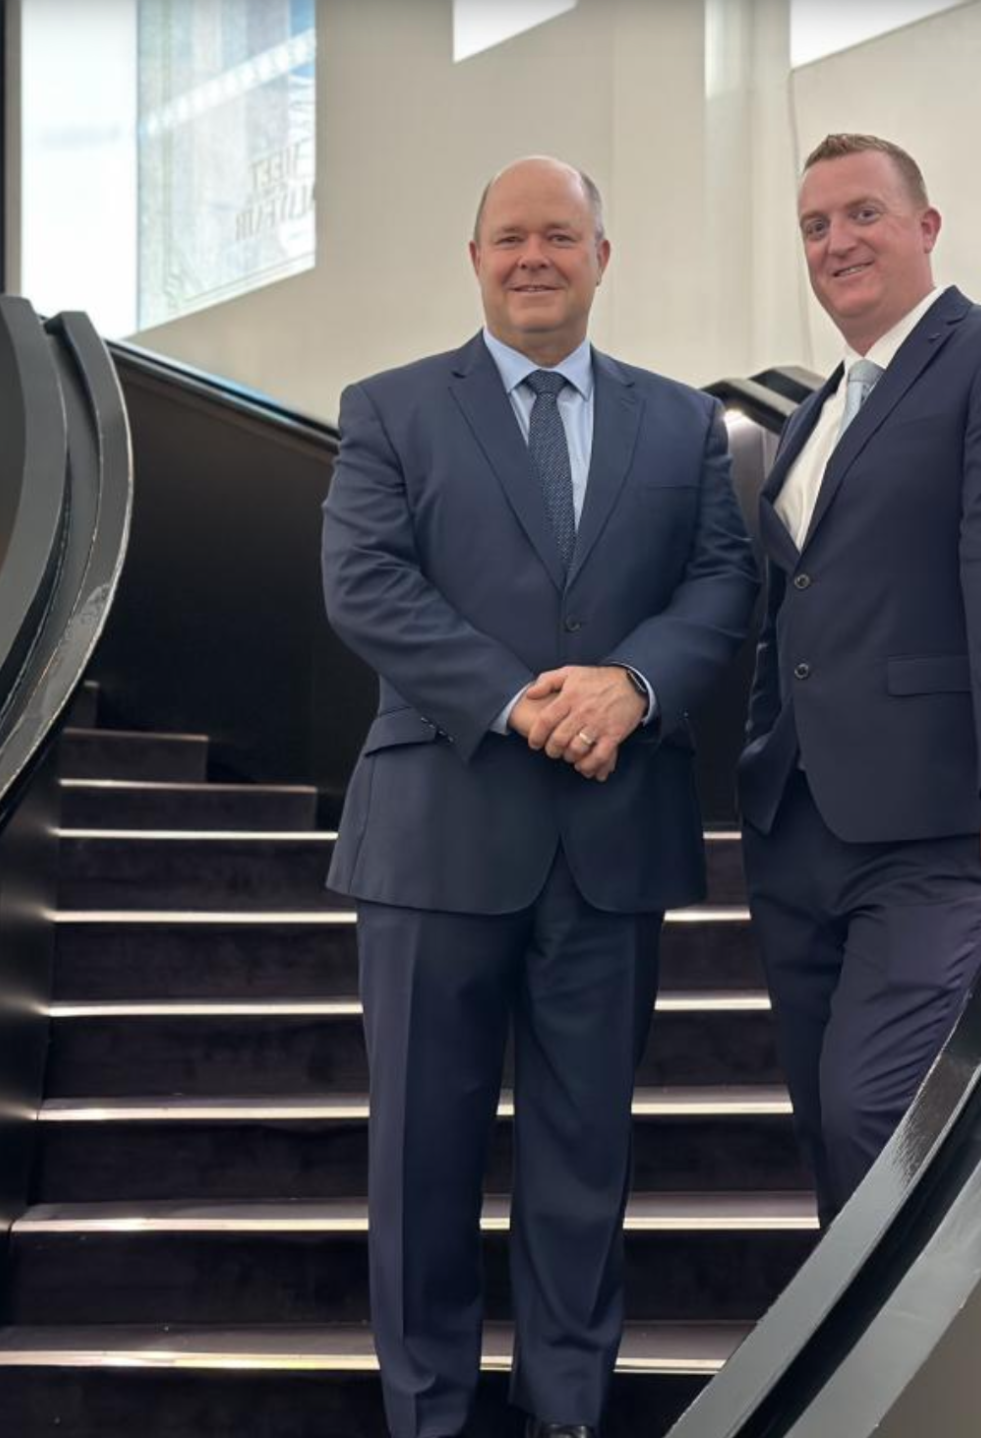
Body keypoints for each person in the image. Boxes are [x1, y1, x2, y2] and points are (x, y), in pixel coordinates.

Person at [321, 155, 756, 1438]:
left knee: (586, 1157)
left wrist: (632, 685)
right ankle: (431, 1418)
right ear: (475, 259)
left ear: (601, 258)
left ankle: (568, 1413)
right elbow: (367, 586)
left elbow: (722, 583)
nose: (534, 257)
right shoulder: (391, 409)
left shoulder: (682, 422)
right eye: (510, 236)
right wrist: (525, 702)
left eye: (560, 235)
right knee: (422, 1158)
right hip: (435, 836)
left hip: (613, 844)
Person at [739, 132, 981, 1228]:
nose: (836, 241)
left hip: (934, 822)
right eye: (814, 225)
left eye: (864, 214)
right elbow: (792, 607)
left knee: (877, 1117)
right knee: (822, 1130)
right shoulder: (813, 413)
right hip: (799, 828)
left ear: (926, 226)